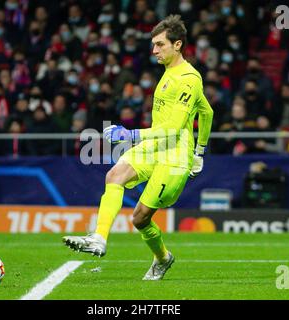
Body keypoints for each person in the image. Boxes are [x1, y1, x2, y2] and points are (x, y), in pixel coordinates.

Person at [63, 15, 214, 280]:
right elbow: (208, 111)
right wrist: (201, 150)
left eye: (160, 44)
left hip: (175, 156)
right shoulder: (170, 73)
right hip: (155, 147)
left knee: (140, 218)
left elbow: (174, 129)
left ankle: (163, 258)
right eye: (153, 45)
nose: (154, 50)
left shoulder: (189, 79)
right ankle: (99, 237)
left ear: (177, 44)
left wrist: (129, 133)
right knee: (114, 175)